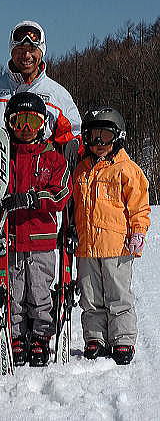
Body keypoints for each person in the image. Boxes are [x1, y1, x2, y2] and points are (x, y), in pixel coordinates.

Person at [0, 92, 72, 366]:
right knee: (14, 292)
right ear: (9, 123)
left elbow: (61, 194)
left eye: (32, 121)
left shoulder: (52, 158)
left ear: (42, 123)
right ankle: (17, 335)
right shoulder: (1, 156)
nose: (26, 128)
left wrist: (33, 198)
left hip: (41, 242)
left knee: (40, 292)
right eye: (20, 121)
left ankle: (42, 336)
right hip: (10, 240)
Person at [73, 107, 151, 365]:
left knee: (117, 296)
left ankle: (123, 339)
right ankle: (95, 338)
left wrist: (138, 232)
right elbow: (73, 205)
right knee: (90, 295)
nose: (98, 143)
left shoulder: (127, 169)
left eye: (105, 136)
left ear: (118, 137)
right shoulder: (81, 170)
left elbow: (139, 205)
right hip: (86, 246)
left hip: (116, 246)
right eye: (94, 136)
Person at [0, 19, 81, 156]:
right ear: (11, 51)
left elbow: (74, 144)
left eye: (32, 49)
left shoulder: (57, 96)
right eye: (20, 50)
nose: (26, 55)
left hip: (41, 174)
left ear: (42, 52)